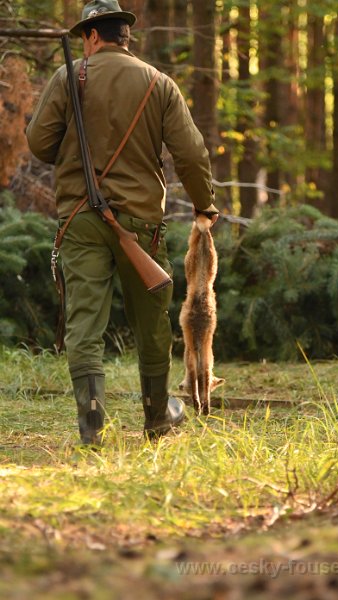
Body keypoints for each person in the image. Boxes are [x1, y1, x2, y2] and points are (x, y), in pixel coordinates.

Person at [26, 0, 219, 445]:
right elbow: (190, 154)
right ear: (124, 36)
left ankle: (91, 426)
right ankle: (156, 415)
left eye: (84, 39)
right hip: (141, 223)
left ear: (93, 35)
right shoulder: (159, 83)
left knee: (84, 322)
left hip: (79, 217)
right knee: (151, 321)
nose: (83, 47)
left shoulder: (68, 77)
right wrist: (204, 204)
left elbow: (39, 143)